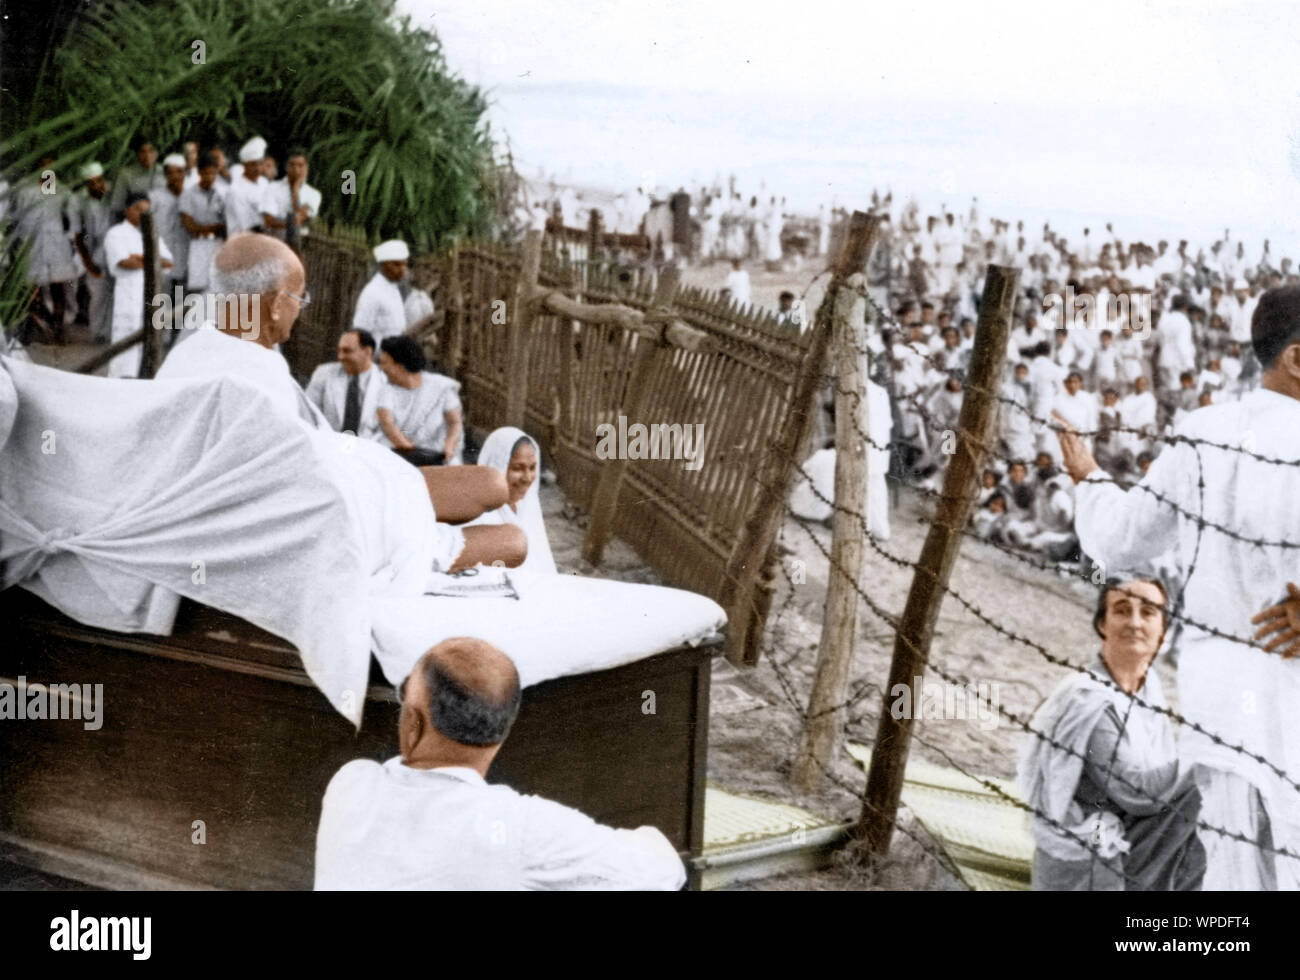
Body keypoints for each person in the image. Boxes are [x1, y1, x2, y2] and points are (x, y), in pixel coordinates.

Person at [1056, 285, 1300, 889]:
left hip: (1219, 691)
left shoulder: (1205, 431)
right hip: (1277, 689)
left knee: (1234, 866)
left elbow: (1120, 541)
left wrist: (1089, 479)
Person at [157, 233, 526, 575]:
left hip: (327, 487)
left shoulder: (188, 353)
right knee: (511, 534)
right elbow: (297, 491)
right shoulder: (257, 371)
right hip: (326, 515)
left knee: (491, 486)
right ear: (273, 305)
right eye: (297, 299)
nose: (299, 311)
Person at [315, 638, 686, 890]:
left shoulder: (351, 783)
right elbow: (663, 873)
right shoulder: (522, 827)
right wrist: (646, 837)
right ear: (504, 730)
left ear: (411, 724)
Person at [1018, 576, 1205, 891]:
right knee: (1206, 783)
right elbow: (1139, 794)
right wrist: (1205, 750)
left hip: (1128, 832)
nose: (1134, 622)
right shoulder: (1090, 700)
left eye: (1147, 612)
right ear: (1102, 625)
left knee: (1220, 785)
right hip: (1093, 850)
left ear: (1163, 631)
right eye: (1121, 610)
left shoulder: (1148, 684)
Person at [466, 427, 557, 573]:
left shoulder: (527, 508)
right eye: (517, 468)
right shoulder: (477, 518)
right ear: (497, 467)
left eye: (532, 467)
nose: (527, 478)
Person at [103, 192, 173, 377]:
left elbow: (169, 262)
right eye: (137, 209)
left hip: (151, 293)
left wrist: (140, 257)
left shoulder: (151, 234)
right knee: (127, 339)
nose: (142, 214)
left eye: (146, 210)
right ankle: (123, 379)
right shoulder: (116, 233)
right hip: (129, 292)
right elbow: (124, 262)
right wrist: (151, 259)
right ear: (127, 210)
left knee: (151, 339)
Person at [11, 155, 79, 342]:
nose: (48, 169)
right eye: (44, 165)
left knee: (58, 286)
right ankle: (38, 327)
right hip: (31, 243)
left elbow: (72, 222)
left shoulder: (63, 191)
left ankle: (59, 328)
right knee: (33, 288)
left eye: (52, 165)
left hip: (56, 244)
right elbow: (17, 217)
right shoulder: (25, 191)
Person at [375, 335, 463, 466]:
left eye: (384, 363)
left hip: (436, 452)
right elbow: (387, 424)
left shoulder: (440, 386)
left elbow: (454, 422)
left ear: (400, 365)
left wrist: (449, 447)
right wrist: (410, 451)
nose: (381, 368)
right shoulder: (386, 390)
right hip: (398, 450)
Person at [304, 328, 385, 440]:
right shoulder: (323, 374)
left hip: (368, 452)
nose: (340, 357)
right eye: (339, 351)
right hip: (327, 446)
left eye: (347, 351)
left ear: (367, 352)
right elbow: (307, 413)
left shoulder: (386, 384)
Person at [68, 162, 114, 342]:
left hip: (119, 246)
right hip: (93, 249)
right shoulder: (77, 200)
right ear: (86, 185)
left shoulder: (114, 192)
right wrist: (88, 262)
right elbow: (76, 234)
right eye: (91, 183)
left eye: (99, 181)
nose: (96, 186)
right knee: (98, 293)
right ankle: (99, 333)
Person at [178, 152, 227, 300]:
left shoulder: (224, 192)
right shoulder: (189, 194)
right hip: (198, 244)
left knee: (219, 287)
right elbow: (189, 225)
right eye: (205, 173)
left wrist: (215, 228)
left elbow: (228, 223)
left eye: (212, 173)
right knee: (198, 288)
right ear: (199, 173)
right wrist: (215, 227)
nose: (209, 177)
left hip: (219, 244)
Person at [260, 147, 321, 244]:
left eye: (300, 166)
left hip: (299, 243)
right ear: (286, 167)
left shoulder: (313, 194)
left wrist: (295, 190)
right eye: (292, 165)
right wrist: (292, 225)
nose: (296, 170)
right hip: (274, 241)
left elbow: (300, 217)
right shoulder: (272, 188)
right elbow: (269, 221)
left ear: (307, 168)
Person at [354, 239, 410, 342]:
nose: (403, 269)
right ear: (384, 265)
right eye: (397, 265)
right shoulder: (373, 293)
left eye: (405, 264)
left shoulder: (394, 289)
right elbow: (360, 332)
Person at [224, 136, 268, 235]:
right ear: (244, 165)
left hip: (262, 237)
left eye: (260, 164)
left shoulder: (264, 182)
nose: (257, 168)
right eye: (253, 164)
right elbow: (246, 223)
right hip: (242, 239)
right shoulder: (235, 189)